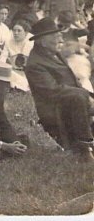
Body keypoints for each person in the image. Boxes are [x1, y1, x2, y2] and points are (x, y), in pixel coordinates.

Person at [24, 17, 94, 161]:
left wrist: (89, 95)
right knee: (79, 97)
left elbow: (72, 81)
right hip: (55, 109)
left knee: (82, 96)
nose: (60, 38)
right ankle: (84, 148)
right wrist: (85, 96)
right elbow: (53, 91)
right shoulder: (34, 64)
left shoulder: (54, 53)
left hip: (72, 103)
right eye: (55, 36)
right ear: (42, 41)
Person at [0, 19, 33, 90]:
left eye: (19, 31)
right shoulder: (9, 42)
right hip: (14, 72)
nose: (16, 33)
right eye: (14, 30)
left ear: (26, 33)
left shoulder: (32, 42)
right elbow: (3, 57)